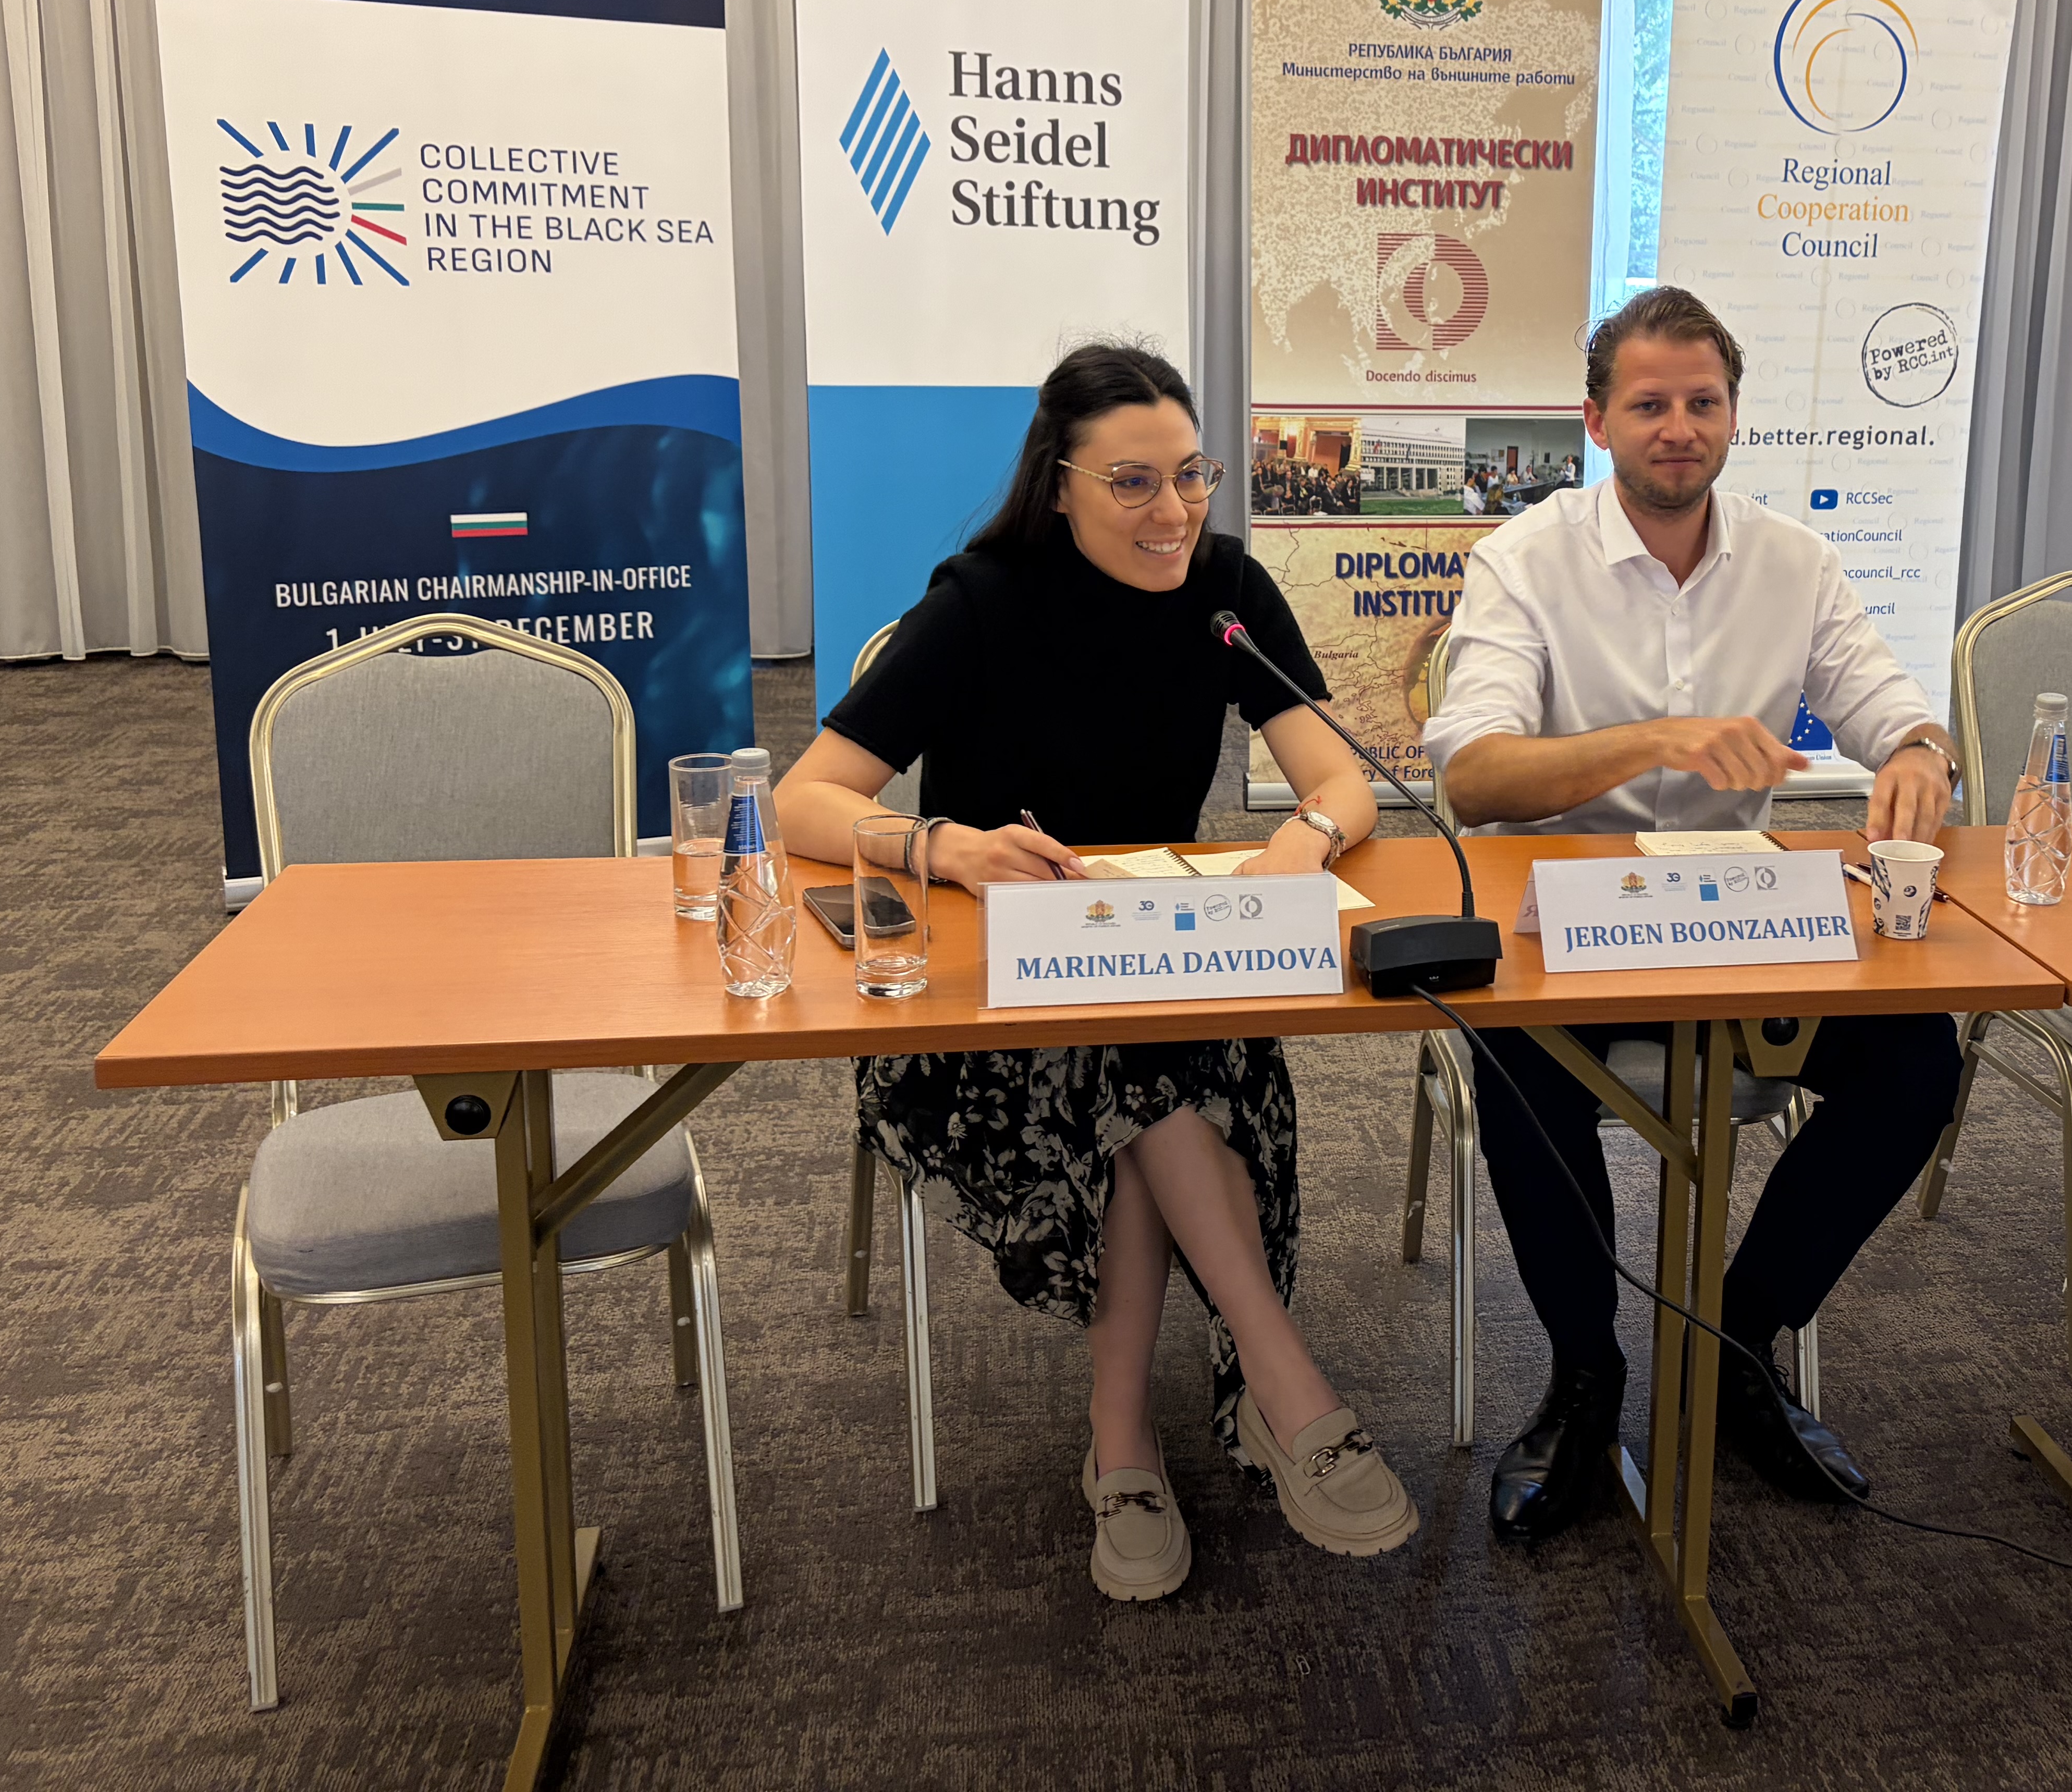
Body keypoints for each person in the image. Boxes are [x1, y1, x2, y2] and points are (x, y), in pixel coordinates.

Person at [777, 342, 1418, 1601]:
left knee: (1142, 1062)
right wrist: (950, 848)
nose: (1172, 511)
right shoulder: (982, 602)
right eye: (1133, 482)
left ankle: (1121, 1441)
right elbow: (807, 799)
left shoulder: (1225, 590)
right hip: (983, 1023)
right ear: (1059, 484)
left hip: (1165, 980)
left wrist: (1304, 837)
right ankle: (1282, 1381)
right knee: (1144, 1075)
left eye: (1191, 476)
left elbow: (1342, 780)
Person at [1421, 286, 1966, 1539]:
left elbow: (1892, 709)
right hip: (1562, 924)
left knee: (1916, 1061)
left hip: (1741, 926)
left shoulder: (1795, 562)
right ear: (1596, 421)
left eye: (1703, 402)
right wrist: (1654, 740)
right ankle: (1585, 1374)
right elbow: (1474, 776)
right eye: (1650, 404)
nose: (1679, 427)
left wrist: (1920, 753)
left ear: (1733, 414)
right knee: (1516, 1060)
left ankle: (1737, 1342)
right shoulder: (1526, 559)